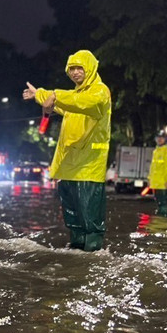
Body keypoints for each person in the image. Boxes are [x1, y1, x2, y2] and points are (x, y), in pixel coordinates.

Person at [23, 50, 111, 251]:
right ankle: (77, 251)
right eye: (71, 69)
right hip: (69, 163)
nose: (75, 73)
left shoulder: (100, 91)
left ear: (89, 68)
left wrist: (53, 94)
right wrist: (39, 95)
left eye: (79, 68)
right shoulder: (74, 95)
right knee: (72, 213)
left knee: (89, 213)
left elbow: (84, 102)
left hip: (89, 163)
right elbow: (60, 104)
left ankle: (93, 252)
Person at [147, 131, 167, 216]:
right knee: (160, 205)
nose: (159, 139)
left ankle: (164, 224)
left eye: (162, 137)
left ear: (166, 139)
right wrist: (150, 179)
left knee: (164, 206)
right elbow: (153, 167)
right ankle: (160, 224)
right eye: (158, 137)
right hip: (156, 183)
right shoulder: (156, 151)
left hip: (164, 184)